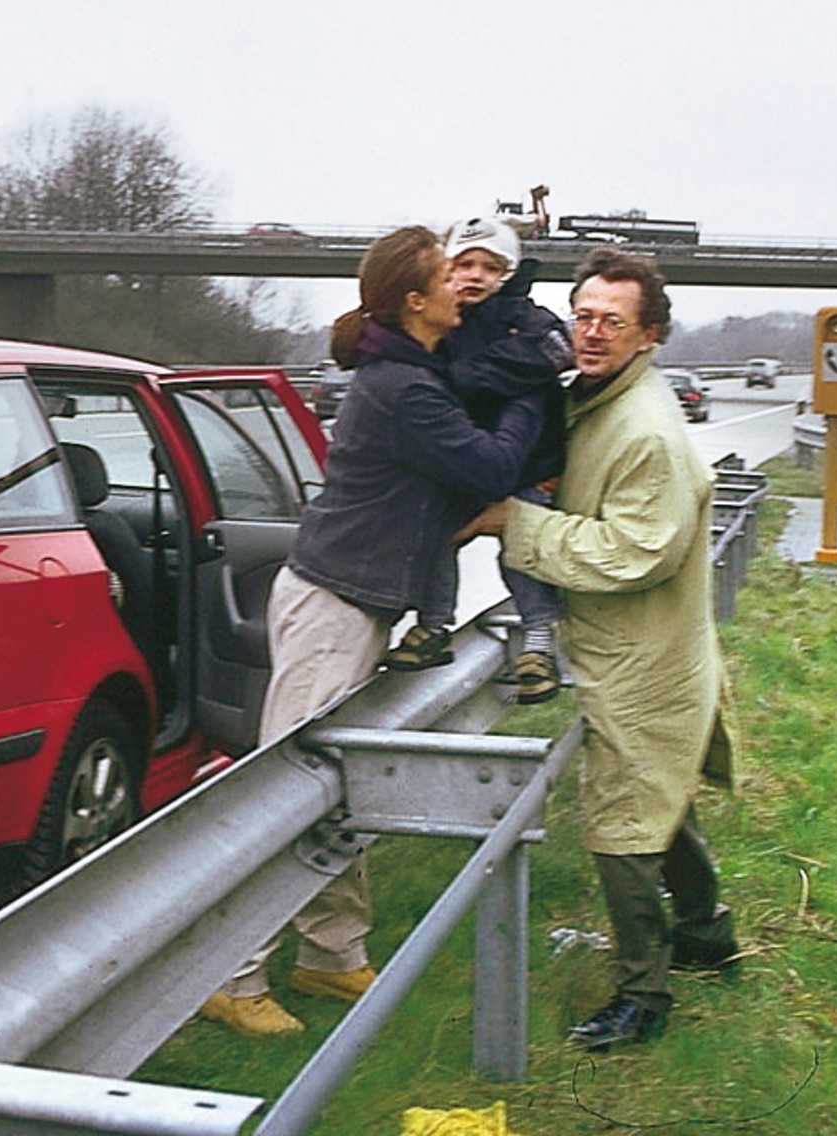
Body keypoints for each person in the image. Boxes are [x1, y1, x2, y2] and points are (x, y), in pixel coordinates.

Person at [198, 224, 547, 1037]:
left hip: (357, 598)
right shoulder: (402, 389)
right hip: (331, 604)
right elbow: (492, 468)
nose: (464, 291)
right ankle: (231, 975)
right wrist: (535, 398)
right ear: (413, 300)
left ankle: (330, 956)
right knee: (289, 795)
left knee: (338, 786)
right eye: (445, 281)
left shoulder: (417, 370)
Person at [462, 247, 739, 1051]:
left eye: (612, 322)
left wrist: (513, 523)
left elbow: (635, 551)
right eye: (583, 315)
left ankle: (643, 995)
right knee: (665, 793)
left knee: (623, 822)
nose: (590, 333)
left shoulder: (645, 429)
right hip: (641, 645)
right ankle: (707, 934)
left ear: (649, 336)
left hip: (642, 655)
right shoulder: (593, 398)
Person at [383, 215, 572, 706]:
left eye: (490, 267)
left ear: (506, 274)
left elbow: (558, 351)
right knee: (436, 536)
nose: (475, 276)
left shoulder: (524, 317)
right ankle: (432, 626)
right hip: (463, 459)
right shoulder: (442, 320)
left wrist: (472, 375)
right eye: (464, 264)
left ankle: (537, 643)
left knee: (522, 554)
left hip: (528, 462)